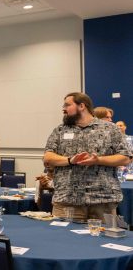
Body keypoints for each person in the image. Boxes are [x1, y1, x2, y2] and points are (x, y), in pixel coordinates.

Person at [43, 92, 131, 221]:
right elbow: (48, 157)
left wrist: (98, 160)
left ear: (82, 106)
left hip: (103, 200)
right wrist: (69, 160)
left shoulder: (110, 129)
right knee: (63, 240)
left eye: (67, 105)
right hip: (67, 200)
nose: (63, 108)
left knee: (103, 239)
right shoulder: (60, 130)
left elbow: (125, 157)